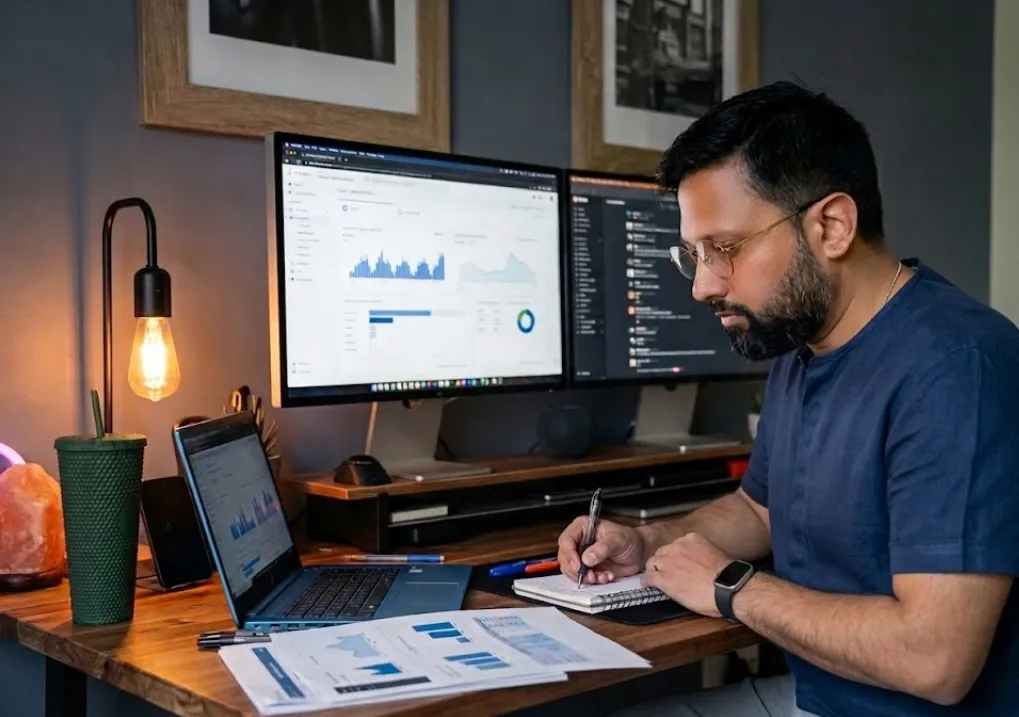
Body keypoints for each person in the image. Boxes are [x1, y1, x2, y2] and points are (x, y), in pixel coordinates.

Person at [557, 81, 1019, 717]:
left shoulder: (956, 368)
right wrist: (651, 541)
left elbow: (934, 660)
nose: (702, 286)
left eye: (723, 249)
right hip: (821, 698)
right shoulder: (805, 343)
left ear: (832, 225)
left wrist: (730, 586)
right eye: (692, 254)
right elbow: (762, 509)